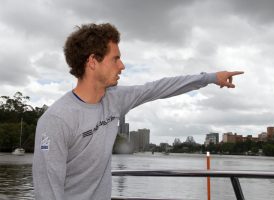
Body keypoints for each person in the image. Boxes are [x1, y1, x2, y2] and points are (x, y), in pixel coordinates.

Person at [32, 23, 243, 200]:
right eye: (116, 58)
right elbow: (47, 192)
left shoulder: (114, 99)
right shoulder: (57, 120)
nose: (122, 65)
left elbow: (159, 87)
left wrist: (211, 78)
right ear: (92, 61)